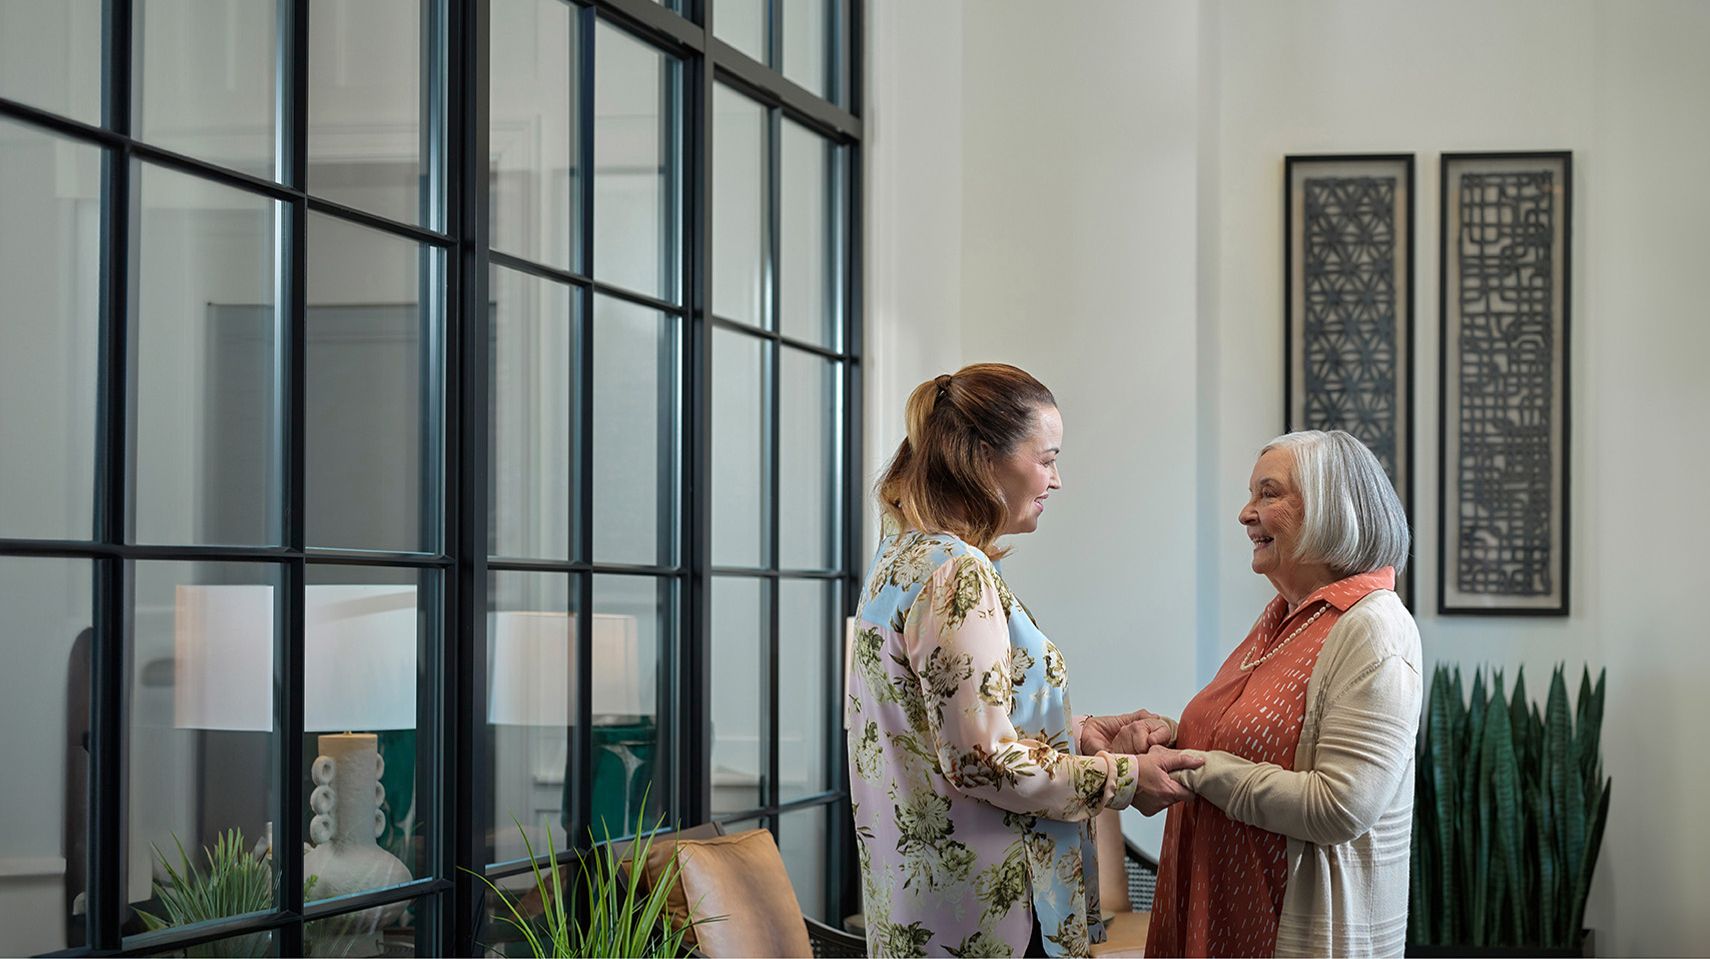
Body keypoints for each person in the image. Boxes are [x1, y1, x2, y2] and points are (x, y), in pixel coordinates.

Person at [848, 363, 1201, 958]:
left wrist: (1080, 733)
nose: (1056, 480)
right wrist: (1125, 779)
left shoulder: (899, 556)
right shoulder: (957, 572)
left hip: (927, 908)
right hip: (991, 919)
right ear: (983, 460)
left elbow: (945, 727)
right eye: (1047, 458)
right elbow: (982, 762)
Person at [1133, 430, 1422, 957]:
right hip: (1218, 914)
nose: (1246, 513)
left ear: (1332, 508)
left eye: (1269, 494)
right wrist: (1172, 735)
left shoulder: (1374, 628)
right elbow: (1259, 743)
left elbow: (1340, 805)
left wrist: (1187, 767)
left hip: (1290, 932)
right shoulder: (1282, 617)